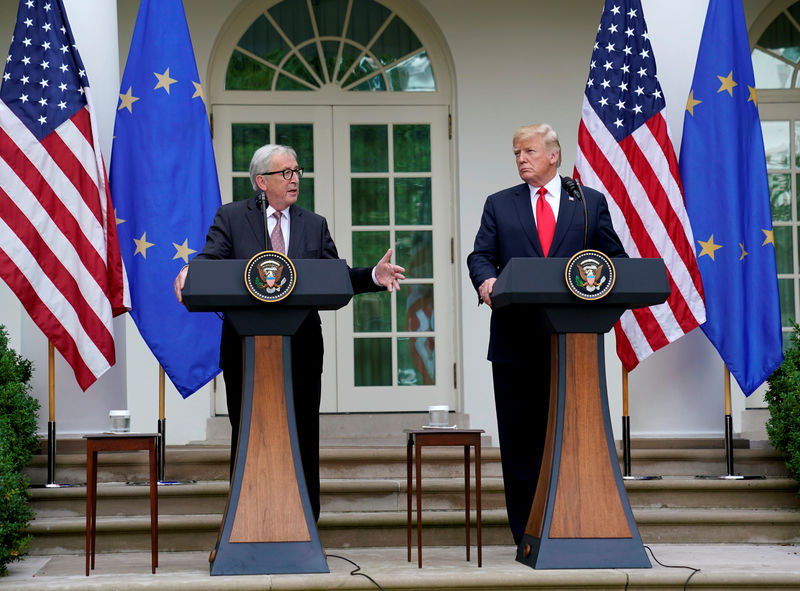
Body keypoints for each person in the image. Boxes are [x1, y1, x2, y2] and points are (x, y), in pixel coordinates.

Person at [174, 144, 405, 521]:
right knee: (248, 433)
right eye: (286, 172)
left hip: (301, 348)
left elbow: (333, 278)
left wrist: (372, 277)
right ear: (262, 181)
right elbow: (210, 259)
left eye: (297, 171)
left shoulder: (314, 224)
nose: (295, 178)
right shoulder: (232, 218)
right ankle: (246, 521)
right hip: (245, 348)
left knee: (302, 433)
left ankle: (305, 525)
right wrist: (190, 272)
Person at [466, 124, 627, 545]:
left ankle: (575, 524)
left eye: (529, 151)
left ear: (553, 155)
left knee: (573, 438)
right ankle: (527, 532)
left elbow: (615, 260)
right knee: (521, 444)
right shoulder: (499, 205)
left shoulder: (588, 204)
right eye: (516, 152)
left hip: (572, 344)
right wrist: (485, 281)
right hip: (514, 342)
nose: (521, 158)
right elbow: (481, 255)